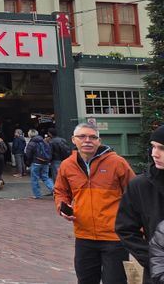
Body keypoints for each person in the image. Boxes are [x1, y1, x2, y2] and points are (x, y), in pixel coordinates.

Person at [52, 122, 134, 284]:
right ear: (73, 140)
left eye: (92, 137)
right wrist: (62, 206)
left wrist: (136, 228)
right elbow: (60, 191)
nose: (87, 140)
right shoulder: (67, 165)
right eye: (82, 136)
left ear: (99, 140)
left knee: (115, 281)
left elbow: (134, 194)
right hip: (84, 236)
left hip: (114, 237)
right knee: (86, 280)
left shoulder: (117, 163)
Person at [116, 125, 164, 282]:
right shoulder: (140, 185)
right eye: (153, 147)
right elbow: (125, 229)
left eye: (162, 148)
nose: (154, 154)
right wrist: (154, 259)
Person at [25, 129, 54, 199]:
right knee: (45, 177)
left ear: (30, 135)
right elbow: (50, 151)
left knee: (34, 179)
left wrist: (28, 163)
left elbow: (28, 155)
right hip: (45, 162)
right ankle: (54, 190)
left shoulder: (31, 143)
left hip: (36, 162)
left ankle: (37, 195)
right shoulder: (44, 141)